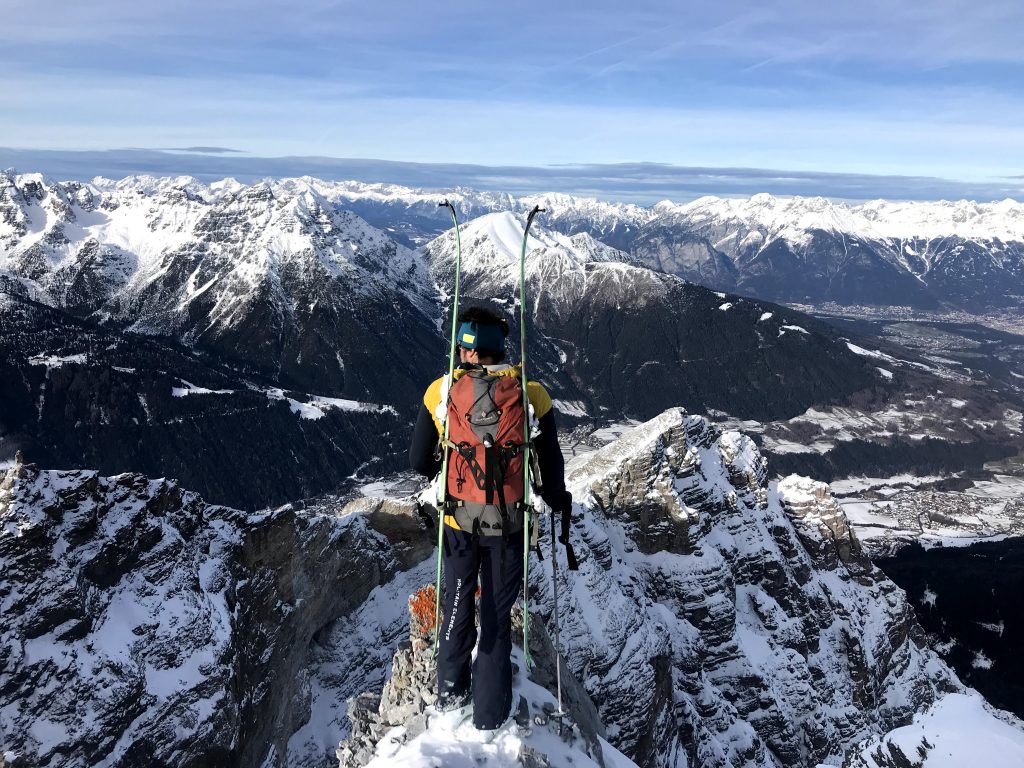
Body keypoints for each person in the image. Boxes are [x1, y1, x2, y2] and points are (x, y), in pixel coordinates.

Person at [409, 304, 573, 731]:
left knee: (458, 605)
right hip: (509, 526)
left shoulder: (441, 392)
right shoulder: (530, 393)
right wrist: (556, 499)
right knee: (496, 623)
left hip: (457, 524)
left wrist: (449, 470)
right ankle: (489, 716)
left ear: (463, 348)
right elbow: (551, 468)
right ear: (501, 346)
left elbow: (416, 461)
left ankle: (449, 693)